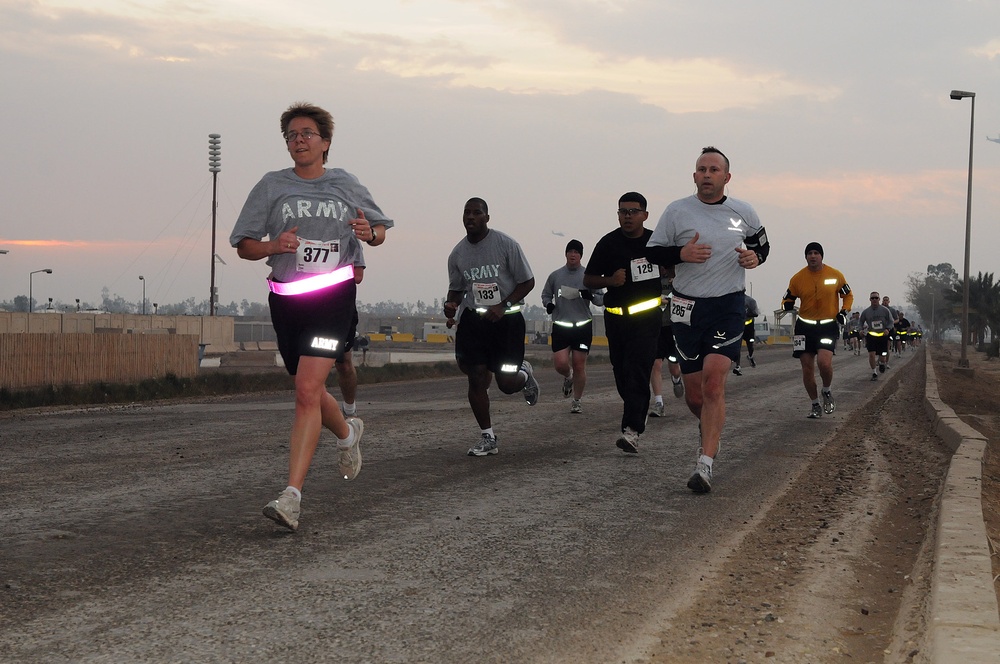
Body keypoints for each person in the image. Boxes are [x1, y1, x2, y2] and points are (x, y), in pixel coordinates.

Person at [230, 101, 394, 532]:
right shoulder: (271, 186)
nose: (298, 140)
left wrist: (367, 232)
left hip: (332, 297)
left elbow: (378, 232)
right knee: (309, 389)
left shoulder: (345, 184)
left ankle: (291, 497)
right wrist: (273, 246)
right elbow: (243, 244)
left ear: (325, 143)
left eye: (307, 134)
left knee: (306, 389)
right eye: (291, 135)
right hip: (287, 300)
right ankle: (348, 433)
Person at [646, 147, 769, 493]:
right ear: (694, 176)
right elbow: (653, 253)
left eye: (714, 169)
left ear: (726, 178)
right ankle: (710, 433)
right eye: (701, 169)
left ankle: (705, 463)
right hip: (686, 309)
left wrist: (754, 258)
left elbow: (762, 246)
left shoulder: (743, 211)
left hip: (728, 305)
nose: (707, 174)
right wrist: (680, 254)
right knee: (696, 396)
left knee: (715, 384)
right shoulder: (676, 211)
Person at [443, 197, 539, 457]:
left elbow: (527, 282)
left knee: (506, 384)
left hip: (506, 321)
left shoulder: (506, 245)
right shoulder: (457, 254)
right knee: (475, 376)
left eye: (476, 213)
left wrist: (504, 305)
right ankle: (488, 436)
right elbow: (457, 289)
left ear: (487, 217)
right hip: (474, 321)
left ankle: (525, 374)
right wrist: (451, 305)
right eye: (466, 213)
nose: (470, 217)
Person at [583, 192, 662, 454]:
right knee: (622, 373)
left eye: (633, 211)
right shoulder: (608, 243)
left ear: (645, 215)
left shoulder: (655, 242)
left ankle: (631, 431)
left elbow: (673, 268)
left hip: (647, 318)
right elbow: (588, 279)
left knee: (638, 369)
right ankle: (639, 408)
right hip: (616, 318)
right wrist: (610, 281)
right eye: (623, 211)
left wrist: (668, 272)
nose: (627, 216)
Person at [780, 242, 853, 419]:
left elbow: (847, 295)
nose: (813, 256)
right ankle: (815, 405)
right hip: (804, 327)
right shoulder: (798, 278)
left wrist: (844, 311)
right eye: (809, 253)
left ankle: (826, 390)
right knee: (807, 368)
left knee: (824, 363)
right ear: (806, 257)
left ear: (821, 256)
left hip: (827, 326)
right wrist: (787, 304)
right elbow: (788, 296)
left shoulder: (835, 275)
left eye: (816, 253)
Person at [541, 239, 604, 414]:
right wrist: (548, 305)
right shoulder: (555, 276)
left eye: (577, 252)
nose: (573, 255)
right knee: (561, 364)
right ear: (566, 254)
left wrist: (589, 296)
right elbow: (546, 294)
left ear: (581, 255)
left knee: (579, 364)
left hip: (582, 325)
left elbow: (601, 299)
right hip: (561, 324)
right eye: (570, 251)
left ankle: (577, 400)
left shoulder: (589, 276)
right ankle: (568, 377)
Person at [649, 266, 684, 418]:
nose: (663, 268)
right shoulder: (651, 279)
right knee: (655, 364)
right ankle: (659, 403)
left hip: (673, 327)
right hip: (656, 326)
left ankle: (676, 379)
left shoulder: (679, 279)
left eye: (665, 265)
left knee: (674, 366)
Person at [859, 291, 896, 380]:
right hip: (871, 335)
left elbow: (891, 321)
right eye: (872, 298)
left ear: (879, 299)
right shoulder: (866, 312)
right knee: (871, 354)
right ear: (870, 300)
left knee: (883, 355)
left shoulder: (885, 310)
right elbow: (860, 322)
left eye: (876, 298)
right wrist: (860, 330)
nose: (874, 300)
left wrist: (887, 329)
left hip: (882, 335)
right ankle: (874, 372)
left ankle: (882, 363)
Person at [732, 293, 760, 375]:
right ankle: (738, 366)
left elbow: (756, 313)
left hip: (749, 326)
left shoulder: (751, 301)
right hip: (738, 325)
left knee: (750, 343)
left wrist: (746, 313)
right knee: (738, 346)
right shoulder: (733, 300)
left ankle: (750, 356)